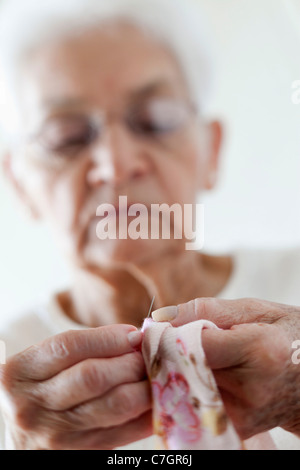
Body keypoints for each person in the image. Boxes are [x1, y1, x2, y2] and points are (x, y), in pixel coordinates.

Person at [0, 0, 300, 450]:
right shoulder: (11, 386)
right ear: (19, 185)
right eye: (66, 137)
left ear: (211, 151)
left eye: (155, 121)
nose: (116, 165)